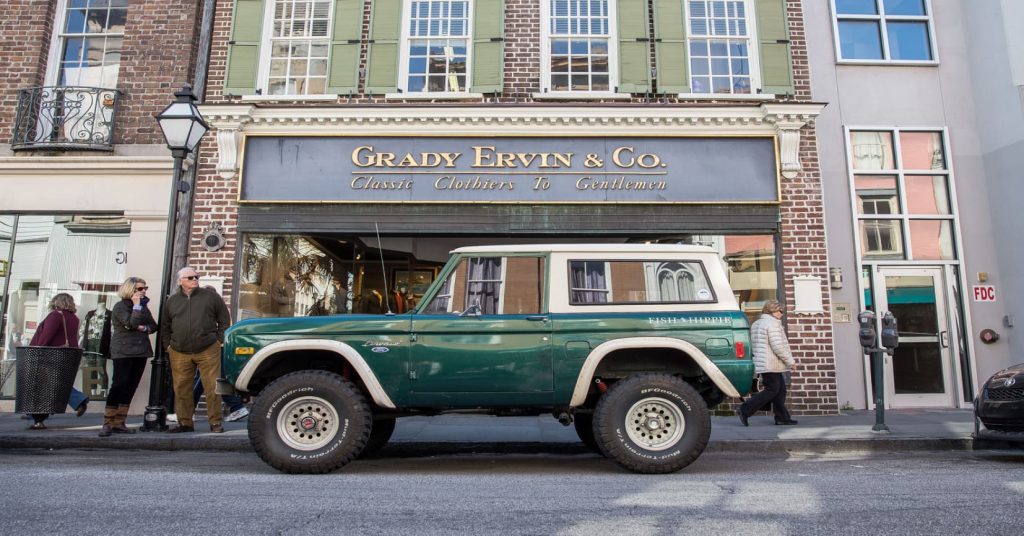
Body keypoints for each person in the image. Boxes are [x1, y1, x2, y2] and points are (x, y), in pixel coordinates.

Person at [159, 267, 231, 433]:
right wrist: (168, 346)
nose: (195, 279)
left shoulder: (211, 297)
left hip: (207, 348)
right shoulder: (172, 301)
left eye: (196, 277)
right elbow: (165, 325)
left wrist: (218, 340)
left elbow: (224, 319)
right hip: (179, 350)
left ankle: (215, 422)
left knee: (212, 386)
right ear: (180, 281)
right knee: (182, 387)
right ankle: (185, 423)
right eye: (190, 277)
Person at [99, 277, 158, 437]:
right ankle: (108, 422)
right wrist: (137, 307)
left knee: (131, 385)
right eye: (140, 289)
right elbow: (131, 323)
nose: (144, 291)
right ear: (130, 290)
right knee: (119, 384)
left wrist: (144, 327)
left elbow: (153, 326)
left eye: (145, 288)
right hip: (123, 350)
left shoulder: (144, 308)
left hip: (141, 350)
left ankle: (120, 422)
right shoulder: (120, 307)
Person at [26, 293, 89, 430]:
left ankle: (38, 417)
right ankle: (77, 401)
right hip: (68, 355)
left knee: (44, 386)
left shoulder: (55, 315)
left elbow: (46, 335)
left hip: (51, 355)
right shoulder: (74, 318)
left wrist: (38, 350)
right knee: (58, 383)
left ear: (57, 302)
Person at [738, 300, 798, 426]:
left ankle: (782, 417)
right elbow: (778, 346)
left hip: (764, 362)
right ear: (773, 311)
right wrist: (790, 361)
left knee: (780, 391)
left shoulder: (757, 323)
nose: (782, 314)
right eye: (780, 311)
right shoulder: (772, 324)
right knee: (772, 390)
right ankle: (745, 409)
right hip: (771, 363)